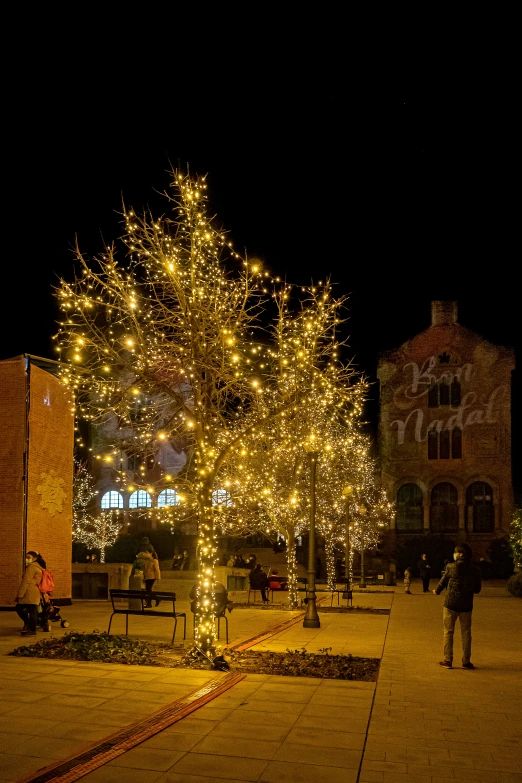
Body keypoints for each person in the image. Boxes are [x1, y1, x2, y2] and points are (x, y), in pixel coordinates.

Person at [433, 543, 482, 669]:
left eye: (455, 552)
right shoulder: (475, 570)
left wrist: (436, 591)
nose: (454, 554)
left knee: (448, 632)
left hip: (450, 604)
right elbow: (477, 589)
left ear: (460, 554)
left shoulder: (451, 567)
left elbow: (442, 582)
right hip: (466, 605)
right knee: (466, 633)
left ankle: (448, 660)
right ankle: (466, 661)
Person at [15, 551, 45, 636]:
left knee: (19, 608)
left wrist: (20, 595)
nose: (26, 559)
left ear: (34, 558)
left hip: (29, 592)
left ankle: (30, 627)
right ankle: (31, 628)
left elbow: (26, 581)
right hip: (35, 591)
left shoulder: (31, 567)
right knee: (32, 611)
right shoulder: (39, 567)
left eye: (28, 557)